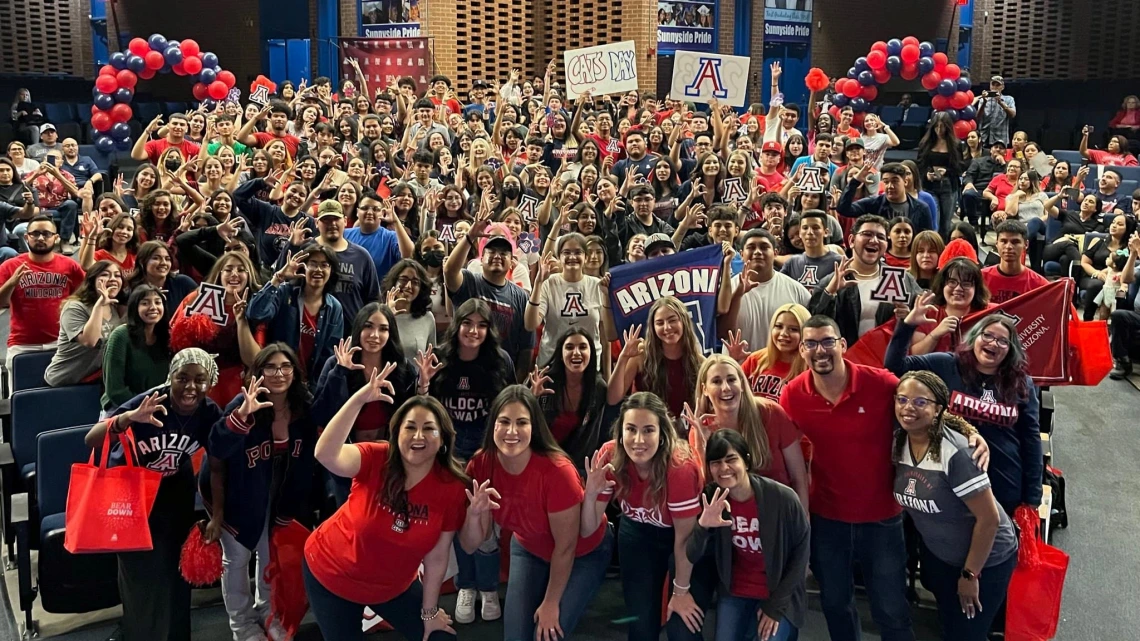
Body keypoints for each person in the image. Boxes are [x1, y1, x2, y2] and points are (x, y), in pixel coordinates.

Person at [781, 315, 989, 641]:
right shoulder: (793, 394)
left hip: (882, 520)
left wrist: (971, 432)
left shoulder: (880, 383)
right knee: (836, 605)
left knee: (890, 610)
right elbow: (778, 443)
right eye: (811, 344)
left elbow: (927, 406)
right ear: (803, 351)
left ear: (842, 346)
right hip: (827, 519)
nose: (819, 350)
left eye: (826, 342)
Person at [304, 377, 467, 640]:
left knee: (439, 637)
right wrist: (358, 399)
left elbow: (437, 557)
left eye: (428, 428)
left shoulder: (451, 486)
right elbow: (325, 454)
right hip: (332, 572)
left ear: (443, 438)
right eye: (410, 427)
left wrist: (429, 614)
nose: (418, 436)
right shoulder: (377, 457)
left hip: (392, 586)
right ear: (396, 433)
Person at [85, 348, 222, 641]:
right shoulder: (152, 400)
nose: (190, 387)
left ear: (210, 382)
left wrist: (217, 515)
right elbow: (92, 438)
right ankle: (137, 634)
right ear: (169, 377)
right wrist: (129, 418)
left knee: (176, 573)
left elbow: (219, 465)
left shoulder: (209, 411)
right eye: (182, 378)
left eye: (200, 380)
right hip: (132, 494)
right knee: (142, 578)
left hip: (176, 492)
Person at [460, 385, 614, 641]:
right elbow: (469, 544)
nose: (511, 431)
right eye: (504, 422)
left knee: (545, 634)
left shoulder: (557, 471)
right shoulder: (481, 464)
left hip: (583, 551)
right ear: (493, 425)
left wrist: (551, 603)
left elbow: (566, 546)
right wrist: (475, 515)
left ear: (534, 428)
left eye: (521, 422)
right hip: (529, 547)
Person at [891, 371, 1018, 641]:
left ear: (938, 409)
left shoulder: (956, 453)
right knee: (950, 626)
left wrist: (970, 575)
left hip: (985, 561)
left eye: (920, 402)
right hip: (941, 557)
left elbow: (989, 520)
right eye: (902, 399)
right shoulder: (898, 443)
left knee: (966, 634)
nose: (908, 408)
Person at [203, 344, 316, 641]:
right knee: (237, 560)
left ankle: (268, 613)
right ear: (258, 372)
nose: (279, 374)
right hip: (236, 495)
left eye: (285, 366)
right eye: (270, 367)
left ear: (295, 371)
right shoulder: (244, 403)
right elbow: (215, 454)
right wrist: (241, 416)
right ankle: (241, 626)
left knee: (270, 557)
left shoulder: (302, 406)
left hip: (275, 495)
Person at [887, 303, 1040, 517]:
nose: (993, 343)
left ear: (1010, 349)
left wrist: (1033, 495)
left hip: (1004, 482)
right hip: (947, 480)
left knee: (996, 545)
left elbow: (1031, 438)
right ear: (974, 337)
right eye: (987, 335)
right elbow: (894, 367)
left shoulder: (1022, 383)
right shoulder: (947, 364)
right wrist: (907, 326)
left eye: (1002, 340)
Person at [582, 392, 704, 641]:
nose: (638, 440)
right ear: (620, 432)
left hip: (682, 540)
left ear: (662, 434)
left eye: (648, 430)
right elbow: (588, 528)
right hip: (636, 534)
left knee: (682, 627)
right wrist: (590, 494)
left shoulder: (679, 467)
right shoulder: (609, 456)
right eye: (631, 429)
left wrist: (680, 591)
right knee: (641, 624)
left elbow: (685, 539)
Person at [686, 429, 810, 641]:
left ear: (746, 461)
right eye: (715, 462)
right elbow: (692, 554)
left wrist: (775, 607)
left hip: (776, 592)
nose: (723, 468)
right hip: (736, 590)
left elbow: (801, 554)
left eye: (731, 459)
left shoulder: (782, 498)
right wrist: (703, 526)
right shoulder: (712, 498)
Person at [688, 354, 809, 510]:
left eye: (731, 380)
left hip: (779, 513)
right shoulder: (699, 429)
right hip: (734, 522)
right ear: (704, 389)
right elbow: (708, 492)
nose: (725, 388)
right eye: (716, 381)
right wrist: (701, 447)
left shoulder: (771, 412)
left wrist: (803, 519)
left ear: (742, 384)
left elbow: (799, 477)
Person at [444, 206, 534, 381]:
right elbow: (449, 272)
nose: (497, 256)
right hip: (462, 372)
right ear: (482, 256)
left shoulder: (521, 296)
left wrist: (516, 383)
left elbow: (526, 347)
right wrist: (470, 236)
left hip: (501, 376)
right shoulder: (469, 281)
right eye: (491, 251)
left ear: (512, 259)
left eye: (503, 253)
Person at [313, 305, 419, 447]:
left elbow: (412, 415)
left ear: (391, 333)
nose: (374, 335)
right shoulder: (336, 363)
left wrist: (423, 384)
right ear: (358, 329)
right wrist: (339, 372)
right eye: (368, 326)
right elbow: (320, 416)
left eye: (383, 329)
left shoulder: (402, 367)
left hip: (388, 451)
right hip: (344, 451)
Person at [169, 252, 264, 406]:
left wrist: (241, 320)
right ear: (219, 274)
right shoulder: (196, 298)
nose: (234, 274)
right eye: (228, 269)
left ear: (250, 275)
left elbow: (254, 360)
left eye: (241, 270)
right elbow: (176, 343)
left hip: (235, 386)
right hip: (197, 382)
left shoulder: (257, 307)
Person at [809, 214, 919, 345]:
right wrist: (829, 293)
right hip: (846, 359)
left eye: (881, 237)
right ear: (851, 240)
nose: (874, 240)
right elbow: (813, 326)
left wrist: (908, 318)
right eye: (867, 234)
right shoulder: (829, 282)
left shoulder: (903, 280)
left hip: (885, 359)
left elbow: (923, 320)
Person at [0, 216, 84, 379]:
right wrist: (12, 282)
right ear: (26, 237)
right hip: (22, 344)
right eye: (35, 234)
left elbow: (83, 298)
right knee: (21, 399)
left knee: (59, 398)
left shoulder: (70, 265)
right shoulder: (10, 266)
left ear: (56, 237)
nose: (40, 238)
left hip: (61, 342)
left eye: (46, 234)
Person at [248, 244, 345, 382]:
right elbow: (255, 314)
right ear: (303, 267)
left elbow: (330, 355)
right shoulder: (284, 292)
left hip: (311, 385)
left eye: (325, 265)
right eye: (313, 264)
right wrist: (278, 277)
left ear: (331, 271)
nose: (318, 270)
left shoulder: (334, 308)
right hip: (277, 378)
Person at [608, 296, 706, 421]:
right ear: (653, 328)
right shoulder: (641, 354)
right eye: (660, 323)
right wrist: (623, 358)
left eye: (672, 320)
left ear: (684, 321)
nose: (667, 327)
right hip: (644, 428)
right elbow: (612, 399)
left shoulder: (700, 362)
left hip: (683, 433)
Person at [531, 327, 616, 465]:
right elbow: (520, 418)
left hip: (579, 464)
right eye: (569, 347)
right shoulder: (542, 380)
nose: (576, 353)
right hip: (542, 458)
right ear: (560, 353)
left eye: (583, 347)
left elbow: (600, 435)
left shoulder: (599, 388)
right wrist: (532, 397)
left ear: (591, 353)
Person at [526, 232, 610, 368]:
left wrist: (607, 376)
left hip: (589, 365)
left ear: (585, 257)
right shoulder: (549, 284)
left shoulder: (597, 285)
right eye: (566, 252)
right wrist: (538, 283)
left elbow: (605, 338)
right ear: (559, 257)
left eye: (578, 252)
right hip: (551, 364)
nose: (572, 257)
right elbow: (530, 324)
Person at [725, 228, 811, 350]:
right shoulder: (728, 288)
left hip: (781, 367)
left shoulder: (797, 290)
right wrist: (737, 296)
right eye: (751, 247)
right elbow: (721, 334)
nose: (758, 252)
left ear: (775, 253)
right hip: (737, 366)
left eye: (764, 247)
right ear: (741, 254)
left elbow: (809, 333)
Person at [44, 260, 124, 387]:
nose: (113, 279)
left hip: (95, 379)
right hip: (65, 381)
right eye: (105, 274)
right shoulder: (74, 307)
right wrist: (99, 306)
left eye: (117, 275)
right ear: (92, 280)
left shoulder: (115, 306)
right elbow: (90, 341)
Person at [908, 258, 995, 355]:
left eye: (966, 284)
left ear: (976, 289)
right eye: (952, 282)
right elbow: (914, 356)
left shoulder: (988, 315)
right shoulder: (928, 313)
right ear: (942, 285)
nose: (958, 288)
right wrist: (936, 334)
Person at [837, 163, 934, 233]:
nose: (890, 186)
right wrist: (855, 181)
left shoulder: (921, 208)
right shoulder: (873, 204)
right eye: (886, 182)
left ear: (905, 182)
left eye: (895, 181)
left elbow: (926, 237)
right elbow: (843, 209)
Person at [1078, 213, 1137, 321]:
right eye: (1113, 223)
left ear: (1127, 229)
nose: (1114, 226)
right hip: (1093, 277)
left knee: (1121, 292)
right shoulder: (1098, 241)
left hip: (1118, 281)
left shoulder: (1130, 249)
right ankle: (1088, 320)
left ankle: (1115, 325)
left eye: (1119, 224)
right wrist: (1097, 273)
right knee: (1096, 285)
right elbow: (1084, 262)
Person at [345, 190, 413, 282]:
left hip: (379, 294)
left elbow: (409, 255)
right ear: (357, 212)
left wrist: (396, 221)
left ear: (382, 213)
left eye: (375, 209)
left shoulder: (391, 237)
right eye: (365, 208)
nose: (369, 212)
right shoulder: (345, 234)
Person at [917, 113, 966, 239]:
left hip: (948, 186)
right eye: (936, 127)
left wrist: (947, 171)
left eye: (942, 127)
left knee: (946, 224)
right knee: (934, 221)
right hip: (929, 186)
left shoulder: (955, 144)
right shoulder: (925, 143)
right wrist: (926, 173)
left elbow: (960, 166)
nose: (939, 130)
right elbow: (920, 164)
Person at [382, 259, 438, 360]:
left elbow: (430, 360)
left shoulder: (427, 318)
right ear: (394, 281)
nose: (408, 286)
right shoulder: (378, 315)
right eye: (403, 280)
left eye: (415, 282)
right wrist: (387, 316)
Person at [982, 221, 1049, 302]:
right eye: (1003, 241)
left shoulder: (1040, 285)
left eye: (1015, 242)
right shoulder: (980, 278)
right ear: (996, 243)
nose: (1009, 246)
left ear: (1026, 244)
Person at [961, 142, 1008, 233]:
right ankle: (973, 223)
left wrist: (1003, 164)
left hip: (998, 192)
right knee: (968, 194)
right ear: (990, 150)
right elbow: (969, 175)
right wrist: (969, 183)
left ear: (1005, 152)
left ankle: (996, 225)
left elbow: (1010, 177)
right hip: (979, 189)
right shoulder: (978, 161)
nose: (998, 149)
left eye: (1001, 148)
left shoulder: (1008, 165)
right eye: (995, 147)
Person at [131, 113, 201, 165]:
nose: (178, 127)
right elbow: (136, 156)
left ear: (186, 129)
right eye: (175, 123)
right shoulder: (155, 144)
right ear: (168, 126)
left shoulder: (194, 148)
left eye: (182, 125)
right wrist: (147, 131)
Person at [974, 76, 1017, 147]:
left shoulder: (1009, 99)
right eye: (993, 85)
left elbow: (1013, 115)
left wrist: (1000, 102)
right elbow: (978, 117)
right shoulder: (983, 99)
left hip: (1000, 138)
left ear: (1002, 87)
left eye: (998, 85)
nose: (995, 87)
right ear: (990, 86)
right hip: (984, 137)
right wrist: (984, 102)